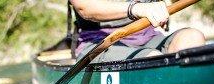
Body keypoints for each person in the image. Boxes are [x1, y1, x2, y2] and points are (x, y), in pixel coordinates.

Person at [70, 0, 206, 62]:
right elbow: (84, 7)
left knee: (193, 38)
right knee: (152, 59)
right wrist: (136, 8)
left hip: (149, 37)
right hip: (99, 43)